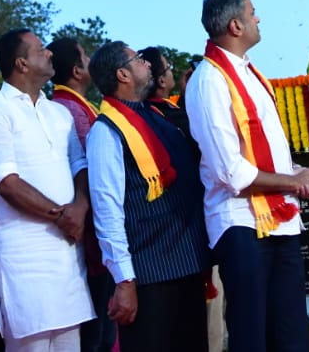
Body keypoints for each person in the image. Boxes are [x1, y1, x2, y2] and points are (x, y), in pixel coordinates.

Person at [185, 0, 309, 352]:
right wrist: (295, 183)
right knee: (253, 336)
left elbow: (266, 155)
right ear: (235, 25)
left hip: (280, 221)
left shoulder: (251, 74)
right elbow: (231, 173)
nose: (258, 18)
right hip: (242, 225)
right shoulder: (209, 80)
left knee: (292, 335)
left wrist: (299, 172)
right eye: (252, 12)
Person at [0, 29, 94, 351]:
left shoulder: (59, 112)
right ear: (21, 63)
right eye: (41, 49)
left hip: (66, 251)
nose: (50, 53)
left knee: (69, 343)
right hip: (22, 254)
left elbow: (79, 165)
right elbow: (7, 183)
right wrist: (63, 217)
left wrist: (79, 208)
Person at [86, 41, 208, 352]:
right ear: (122, 74)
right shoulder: (107, 131)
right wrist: (124, 280)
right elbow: (107, 209)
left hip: (187, 263)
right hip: (149, 274)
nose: (148, 64)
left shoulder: (157, 115)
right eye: (139, 59)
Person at [47, 36, 114, 352]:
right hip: (88, 233)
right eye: (86, 56)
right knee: (95, 333)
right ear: (76, 71)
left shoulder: (76, 104)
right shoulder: (66, 108)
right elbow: (89, 166)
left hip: (92, 230)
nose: (91, 60)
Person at [139, 46, 190, 138]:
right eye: (168, 66)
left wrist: (185, 94)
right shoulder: (171, 117)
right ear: (162, 81)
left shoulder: (143, 110)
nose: (172, 71)